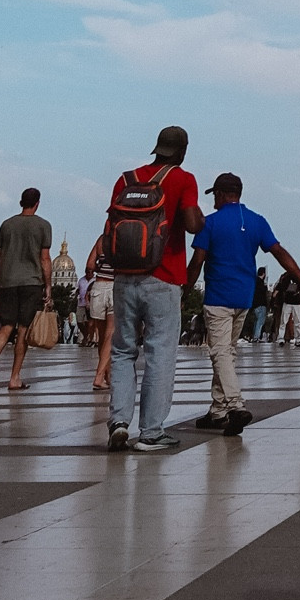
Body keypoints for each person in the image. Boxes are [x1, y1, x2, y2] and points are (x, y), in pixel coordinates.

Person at [188, 173, 300, 435]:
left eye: (215, 194)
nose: (213, 199)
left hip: (218, 297)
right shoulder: (257, 222)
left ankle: (235, 406)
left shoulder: (209, 224)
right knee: (228, 351)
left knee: (220, 352)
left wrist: (183, 290)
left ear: (223, 194)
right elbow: (280, 253)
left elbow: (198, 261)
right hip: (244, 298)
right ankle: (218, 410)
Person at [106, 126, 203, 452]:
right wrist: (199, 216)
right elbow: (191, 225)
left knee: (122, 351)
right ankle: (150, 432)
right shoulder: (182, 179)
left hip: (123, 277)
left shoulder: (126, 179)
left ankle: (119, 423)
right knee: (160, 354)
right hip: (164, 277)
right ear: (182, 151)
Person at [0, 189, 52, 392]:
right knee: (23, 330)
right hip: (31, 282)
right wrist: (48, 285)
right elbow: (45, 258)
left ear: (21, 202)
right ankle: (14, 377)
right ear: (38, 203)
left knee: (6, 325)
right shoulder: (43, 225)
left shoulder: (7, 225)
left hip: (7, 281)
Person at [83, 235, 115, 390]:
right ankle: (99, 375)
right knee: (111, 334)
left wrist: (100, 267)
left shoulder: (102, 239)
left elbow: (89, 265)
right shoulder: (124, 235)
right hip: (115, 286)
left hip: (98, 286)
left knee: (102, 336)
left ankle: (107, 375)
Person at [275, 268, 300, 348]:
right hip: (288, 302)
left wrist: (298, 292)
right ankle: (281, 338)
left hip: (295, 302)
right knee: (284, 321)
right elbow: (281, 286)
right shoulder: (285, 277)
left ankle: (298, 339)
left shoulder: (296, 277)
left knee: (296, 321)